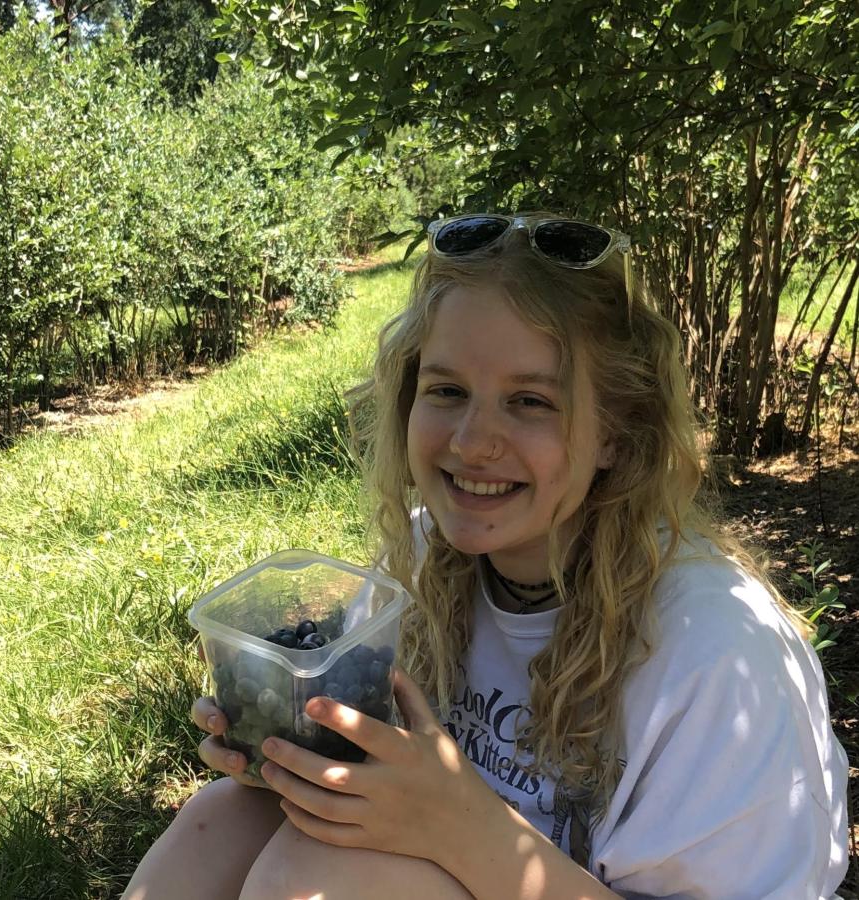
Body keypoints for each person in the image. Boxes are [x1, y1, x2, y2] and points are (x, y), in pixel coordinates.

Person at [123, 213, 850, 900]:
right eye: (447, 391)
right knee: (222, 821)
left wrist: (467, 827)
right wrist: (290, 746)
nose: (472, 441)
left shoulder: (717, 655)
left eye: (531, 401)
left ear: (615, 434)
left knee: (312, 879)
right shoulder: (424, 560)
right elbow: (379, 788)